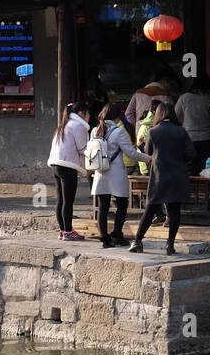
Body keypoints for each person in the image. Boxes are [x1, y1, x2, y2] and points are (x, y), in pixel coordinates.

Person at [130, 101, 195, 256]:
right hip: (177, 175)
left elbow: (148, 151)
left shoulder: (153, 132)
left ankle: (138, 241)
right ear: (172, 114)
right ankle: (170, 245)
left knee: (150, 209)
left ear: (158, 114)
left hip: (159, 176)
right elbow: (192, 154)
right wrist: (180, 161)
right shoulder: (181, 131)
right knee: (174, 211)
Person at [90, 103, 150, 248]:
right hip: (115, 173)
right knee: (122, 203)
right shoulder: (118, 132)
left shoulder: (95, 130)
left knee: (103, 206)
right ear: (117, 117)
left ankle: (104, 239)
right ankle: (116, 235)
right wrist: (148, 158)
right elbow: (131, 153)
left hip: (100, 172)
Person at [47, 100, 91, 241]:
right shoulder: (77, 126)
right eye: (88, 113)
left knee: (61, 200)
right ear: (81, 113)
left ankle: (62, 230)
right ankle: (68, 231)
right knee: (68, 201)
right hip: (67, 166)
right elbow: (83, 148)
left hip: (56, 165)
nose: (89, 116)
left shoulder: (64, 125)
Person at [174, 72, 210, 174]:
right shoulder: (209, 99)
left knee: (188, 167)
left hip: (189, 137)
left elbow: (175, 115)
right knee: (204, 169)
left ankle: (189, 189)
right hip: (207, 138)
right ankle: (202, 189)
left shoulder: (185, 98)